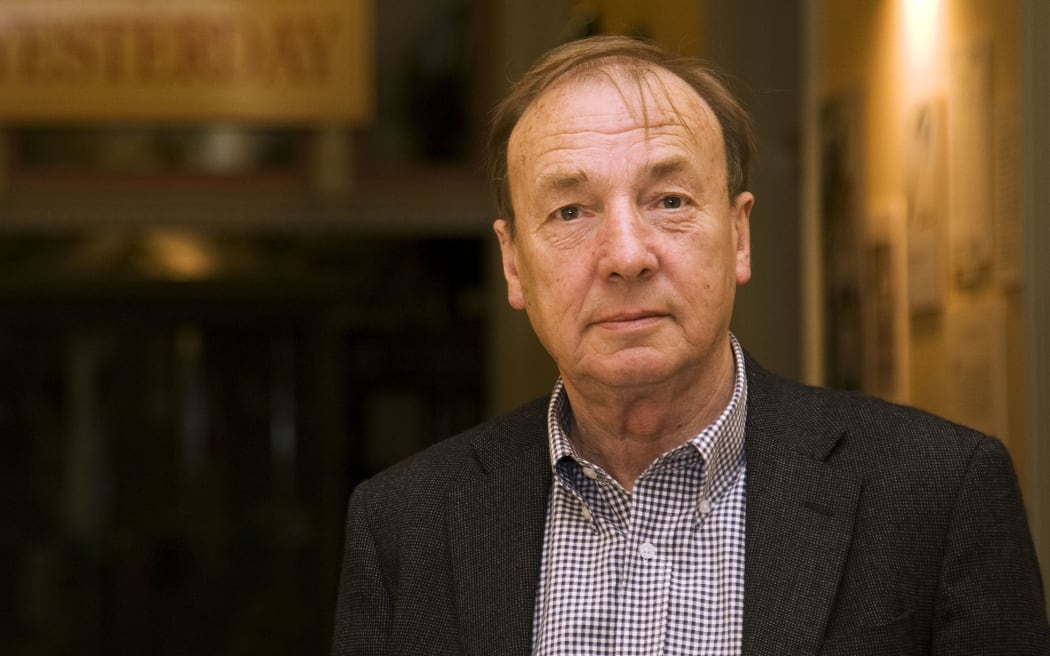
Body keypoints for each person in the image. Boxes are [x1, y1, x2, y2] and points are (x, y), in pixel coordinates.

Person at [331, 35, 1050, 655]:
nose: (626, 255)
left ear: (739, 235)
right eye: (570, 211)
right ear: (514, 263)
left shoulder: (939, 495)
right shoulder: (404, 527)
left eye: (669, 200)